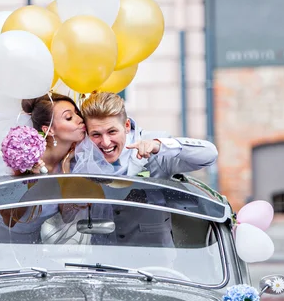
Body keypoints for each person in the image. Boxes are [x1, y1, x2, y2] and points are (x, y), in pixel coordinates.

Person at [72, 91, 218, 247]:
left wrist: (159, 146)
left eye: (112, 131)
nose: (106, 142)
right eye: (96, 134)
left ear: (126, 126)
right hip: (103, 259)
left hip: (155, 259)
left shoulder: (155, 146)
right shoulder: (83, 154)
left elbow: (209, 154)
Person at [0, 93, 86, 243]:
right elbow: (10, 218)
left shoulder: (73, 163)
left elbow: (68, 216)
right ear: (49, 129)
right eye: (69, 117)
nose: (80, 119)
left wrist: (66, 167)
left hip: (33, 246)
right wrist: (33, 183)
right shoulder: (25, 159)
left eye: (77, 113)